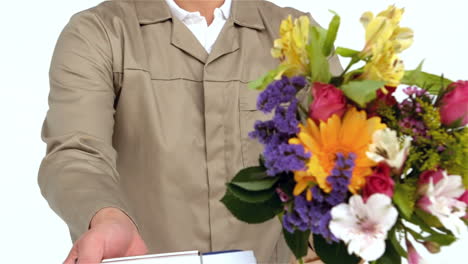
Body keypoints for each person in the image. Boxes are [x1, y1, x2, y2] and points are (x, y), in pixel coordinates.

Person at [37, 0, 342, 263]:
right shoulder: (100, 33)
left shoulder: (298, 37)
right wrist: (106, 216)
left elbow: (343, 164)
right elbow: (77, 152)